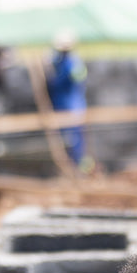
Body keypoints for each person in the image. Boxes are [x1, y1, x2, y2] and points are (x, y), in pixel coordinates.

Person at [46, 30, 89, 171]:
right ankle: (70, 167)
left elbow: (70, 81)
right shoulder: (61, 62)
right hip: (65, 107)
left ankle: (78, 167)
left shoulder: (72, 64)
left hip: (72, 108)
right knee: (67, 140)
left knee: (74, 141)